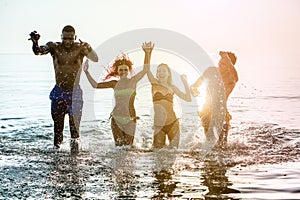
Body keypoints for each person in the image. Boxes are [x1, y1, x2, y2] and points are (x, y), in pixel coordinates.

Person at [29, 25, 99, 152]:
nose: (68, 41)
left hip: (75, 93)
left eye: (71, 38)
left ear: (75, 37)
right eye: (65, 38)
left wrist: (88, 47)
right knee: (58, 128)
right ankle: (57, 155)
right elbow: (38, 51)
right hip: (59, 91)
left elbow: (95, 58)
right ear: (61, 37)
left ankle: (75, 157)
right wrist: (35, 42)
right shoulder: (54, 47)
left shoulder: (80, 48)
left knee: (74, 130)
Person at [83, 42, 153, 147]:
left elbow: (145, 70)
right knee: (119, 148)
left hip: (130, 119)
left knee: (128, 148)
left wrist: (147, 53)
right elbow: (95, 85)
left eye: (126, 69)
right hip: (116, 119)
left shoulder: (133, 81)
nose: (123, 72)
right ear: (117, 71)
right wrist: (86, 72)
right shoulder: (114, 84)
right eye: (121, 70)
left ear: (129, 70)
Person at [190, 51, 237, 146]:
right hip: (206, 111)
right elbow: (195, 85)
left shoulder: (230, 79)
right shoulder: (210, 71)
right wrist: (194, 89)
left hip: (221, 112)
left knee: (222, 144)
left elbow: (235, 77)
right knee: (210, 142)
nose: (220, 64)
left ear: (230, 66)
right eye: (220, 61)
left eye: (224, 63)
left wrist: (227, 58)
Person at [147, 62, 191, 148]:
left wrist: (185, 82)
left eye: (164, 71)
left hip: (173, 124)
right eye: (159, 71)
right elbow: (147, 70)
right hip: (159, 126)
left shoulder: (172, 87)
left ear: (168, 74)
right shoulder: (154, 84)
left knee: (173, 154)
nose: (161, 73)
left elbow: (188, 98)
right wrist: (148, 52)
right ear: (157, 74)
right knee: (157, 155)